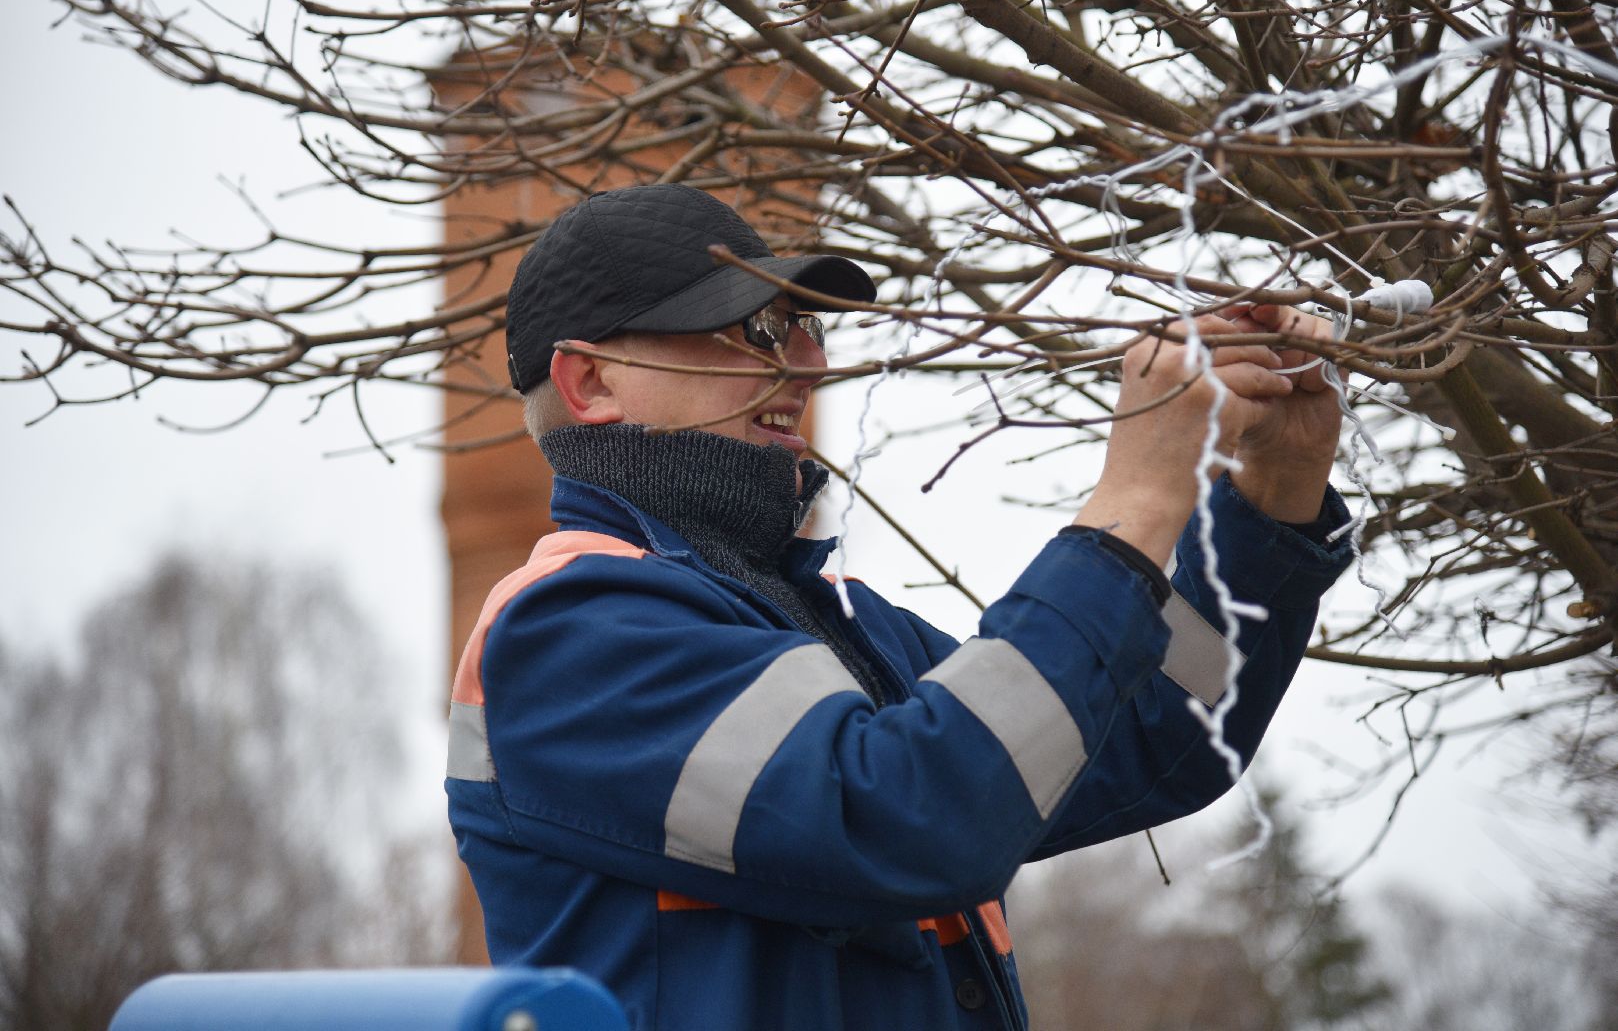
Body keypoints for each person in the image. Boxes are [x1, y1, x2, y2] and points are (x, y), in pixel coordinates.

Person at [446, 183, 1352, 1031]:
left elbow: (1150, 730)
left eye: (804, 327)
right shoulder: (566, 633)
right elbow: (907, 819)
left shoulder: (840, 624)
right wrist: (1137, 504)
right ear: (590, 383)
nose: (805, 365)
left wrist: (1270, 492)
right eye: (754, 329)